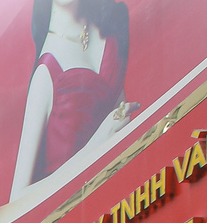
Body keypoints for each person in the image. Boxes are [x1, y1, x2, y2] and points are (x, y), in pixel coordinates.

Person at [10, 0, 134, 199]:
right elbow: (17, 198)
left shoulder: (113, 30)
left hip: (123, 202)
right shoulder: (46, 73)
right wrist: (95, 146)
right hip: (72, 214)